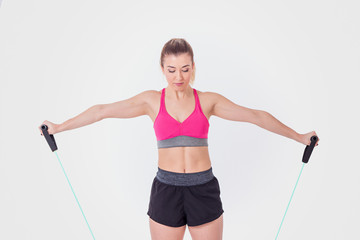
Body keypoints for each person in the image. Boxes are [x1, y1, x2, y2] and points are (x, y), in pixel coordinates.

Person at [39, 38, 319, 240]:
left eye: (185, 69)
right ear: (162, 68)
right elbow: (102, 111)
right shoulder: (151, 101)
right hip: (166, 190)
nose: (179, 76)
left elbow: (256, 116)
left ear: (193, 67)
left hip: (203, 189)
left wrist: (299, 136)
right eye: (172, 70)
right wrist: (60, 127)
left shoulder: (208, 101)